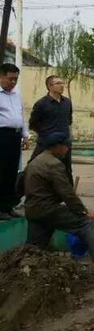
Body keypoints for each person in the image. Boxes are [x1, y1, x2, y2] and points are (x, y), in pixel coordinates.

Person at [24, 132, 94, 271]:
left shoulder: (35, 161)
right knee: (88, 223)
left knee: (34, 246)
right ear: (57, 147)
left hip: (32, 210)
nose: (67, 149)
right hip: (48, 209)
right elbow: (67, 194)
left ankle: (28, 265)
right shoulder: (54, 164)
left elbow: (20, 184)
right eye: (66, 146)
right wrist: (84, 211)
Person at [29, 75, 73, 183]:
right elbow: (33, 124)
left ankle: (67, 196)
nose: (62, 86)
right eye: (58, 83)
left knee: (66, 171)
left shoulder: (67, 102)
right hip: (46, 143)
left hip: (64, 143)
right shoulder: (41, 104)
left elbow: (69, 120)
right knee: (34, 167)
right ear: (50, 86)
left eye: (62, 83)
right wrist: (46, 135)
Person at [0, 63, 28, 221]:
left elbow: (21, 116)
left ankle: (8, 206)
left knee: (12, 171)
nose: (13, 82)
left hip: (15, 136)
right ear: (1, 76)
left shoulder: (16, 96)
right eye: (10, 79)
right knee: (1, 171)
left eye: (15, 79)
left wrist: (25, 135)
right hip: (2, 135)